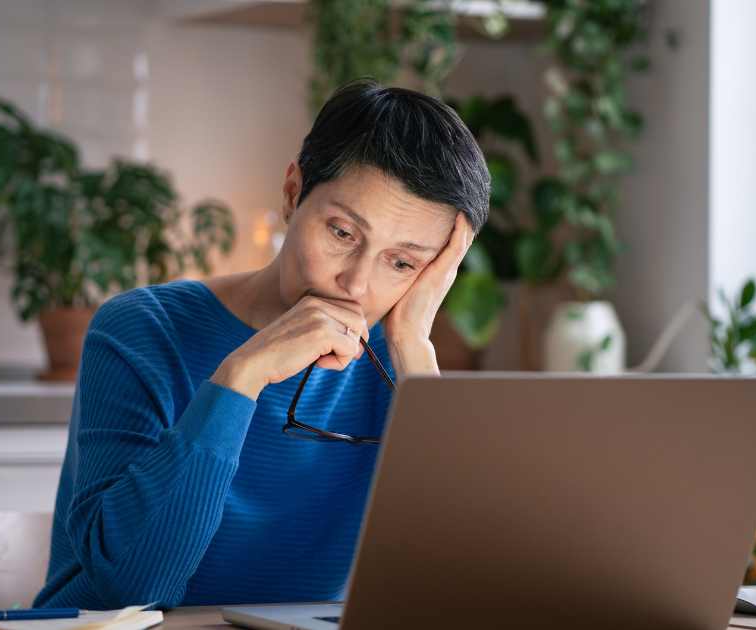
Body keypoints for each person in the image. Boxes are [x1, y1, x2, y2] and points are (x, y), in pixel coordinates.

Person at [33, 78, 491, 609]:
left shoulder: (399, 363)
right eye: (343, 234)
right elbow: (133, 589)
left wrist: (414, 354)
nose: (357, 285)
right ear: (293, 194)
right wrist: (242, 376)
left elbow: (457, 590)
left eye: (403, 262)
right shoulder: (142, 329)